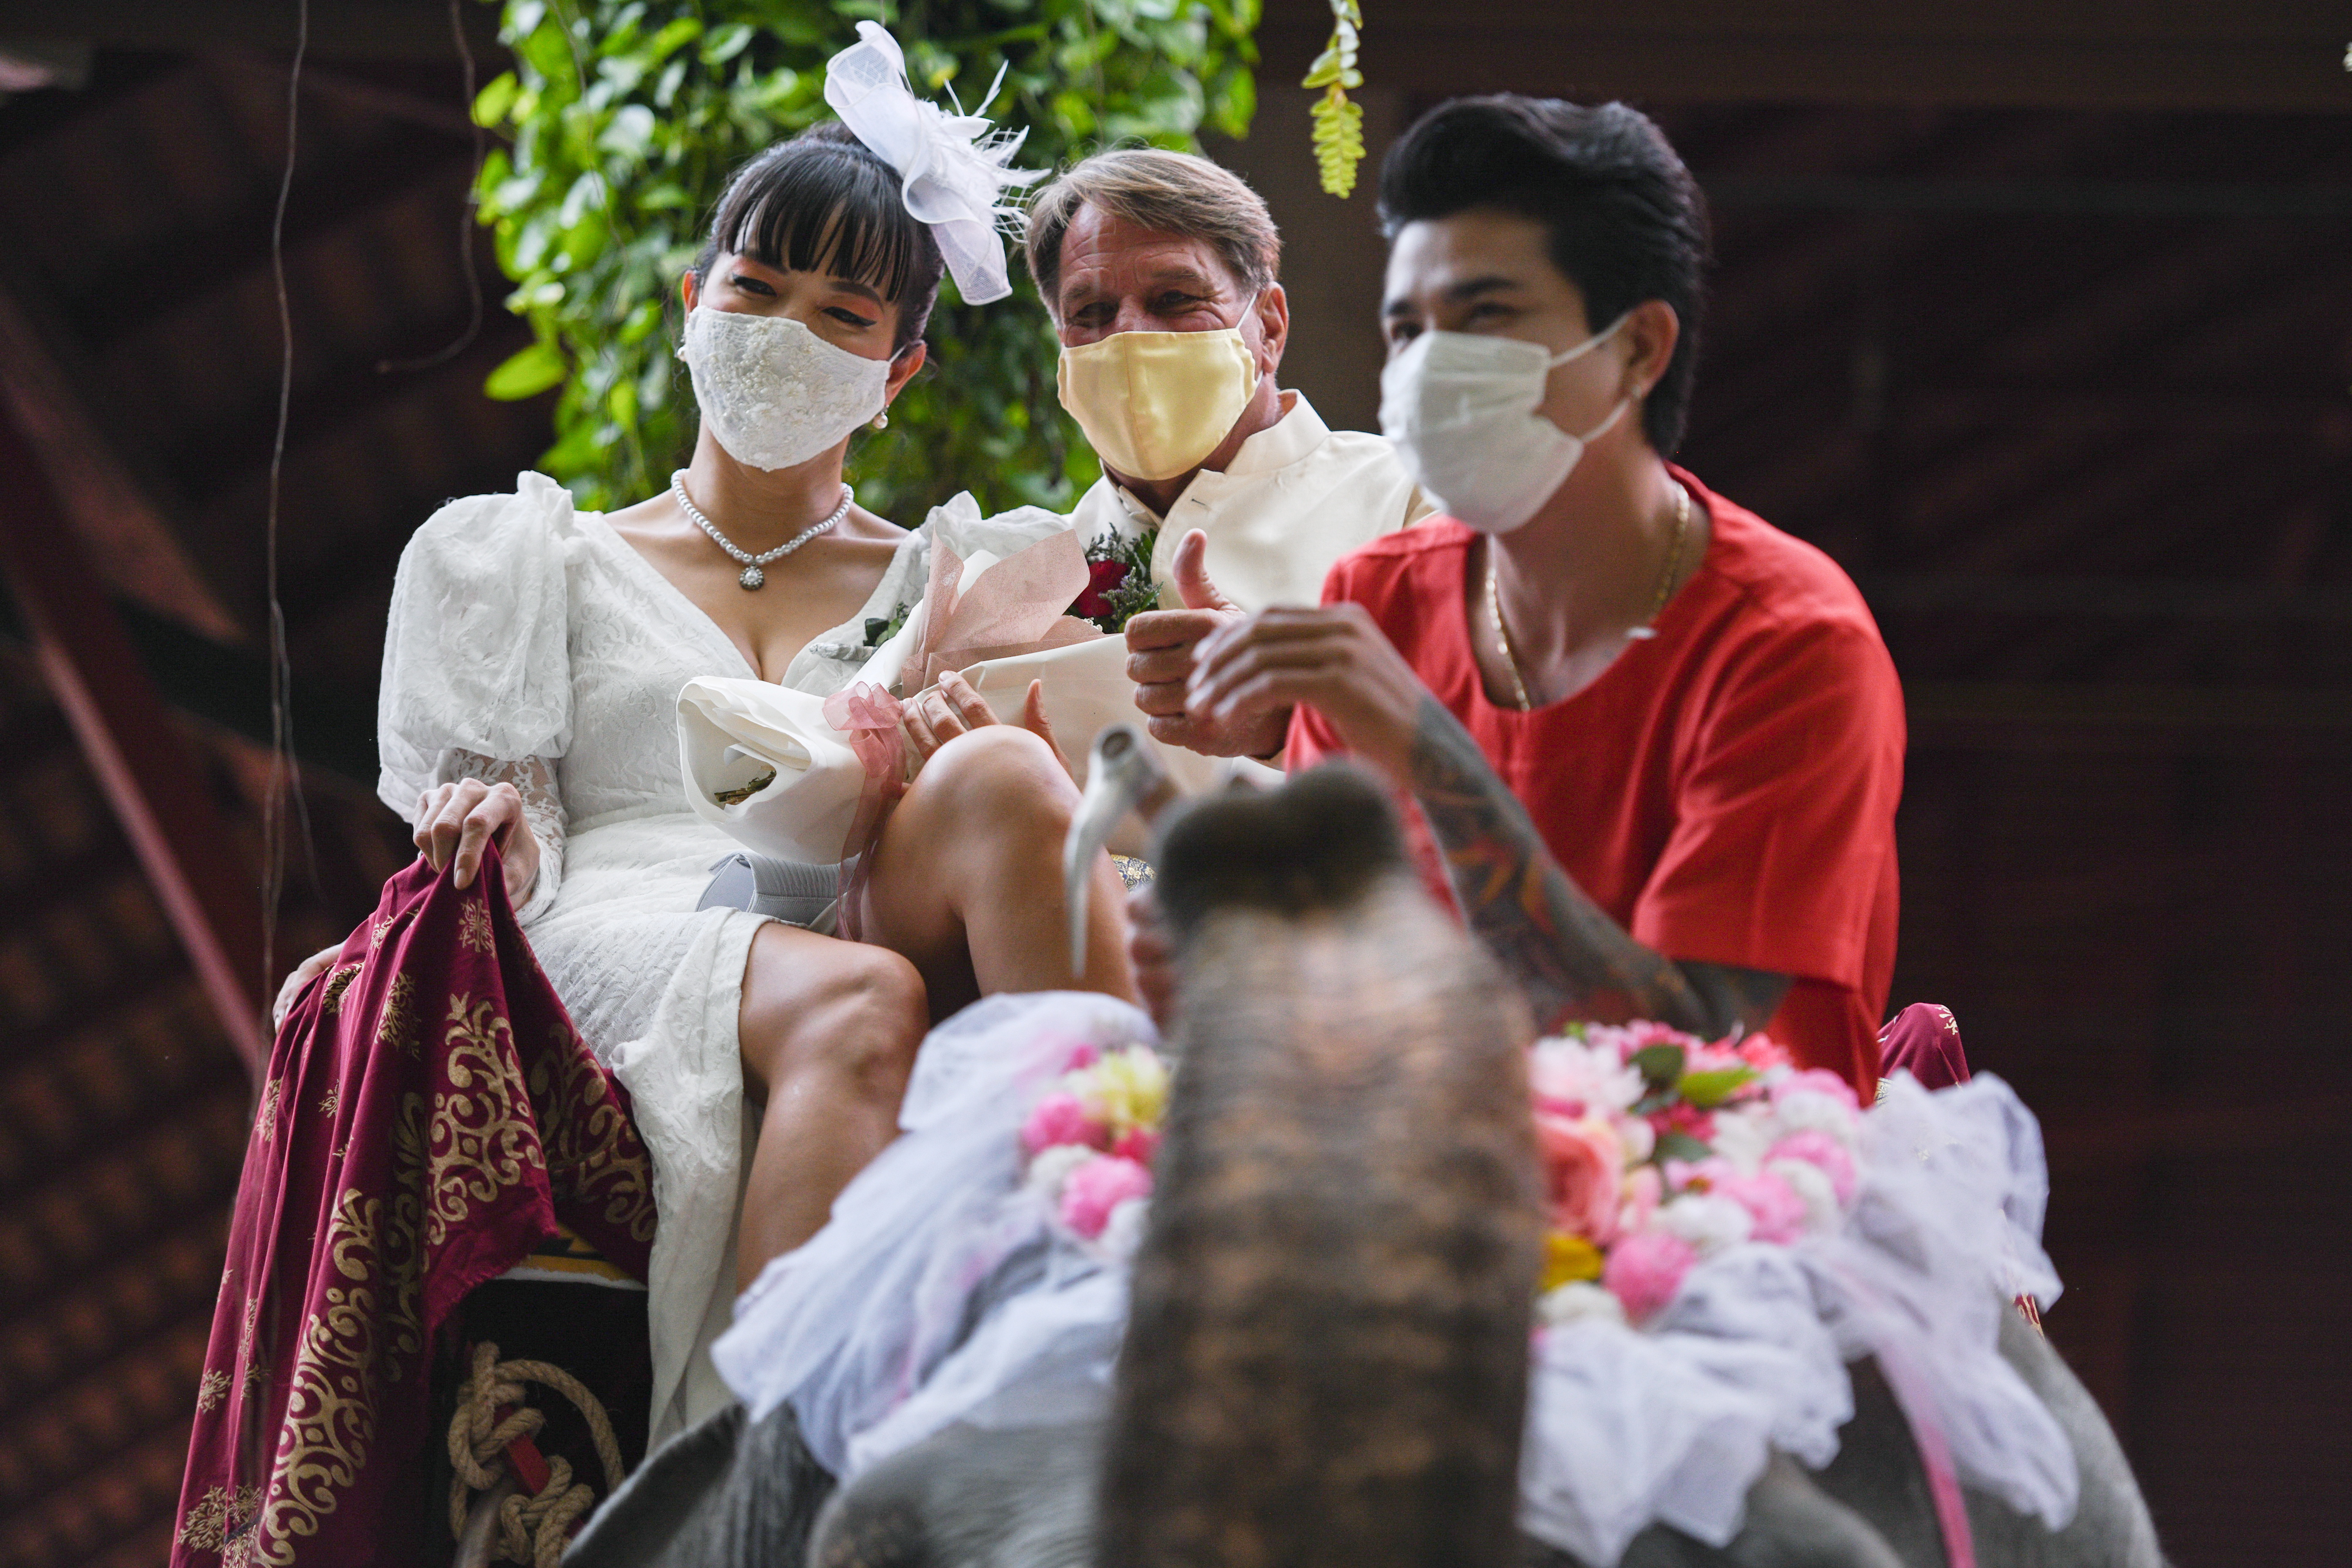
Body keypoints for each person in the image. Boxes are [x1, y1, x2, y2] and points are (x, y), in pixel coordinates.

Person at [285, 52, 1135, 1442]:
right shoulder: (526, 558)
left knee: (1004, 778)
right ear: (693, 303)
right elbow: (524, 845)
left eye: (842, 313)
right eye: (756, 289)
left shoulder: (952, 576)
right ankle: (757, 1465)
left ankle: (1119, 1246)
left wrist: (954, 744)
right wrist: (492, 825)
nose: (787, 329)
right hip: (616, 916)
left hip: (845, 892)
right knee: (859, 1001)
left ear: (897, 372)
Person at [1168, 97, 1905, 1095]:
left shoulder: (1789, 644)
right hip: (1420, 1150)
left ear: (1639, 349)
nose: (1429, 367)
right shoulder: (1375, 600)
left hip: (1719, 1171)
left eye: (1486, 315)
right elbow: (1322, 977)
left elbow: (1693, 1063)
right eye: (1407, 328)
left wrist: (1435, 759)